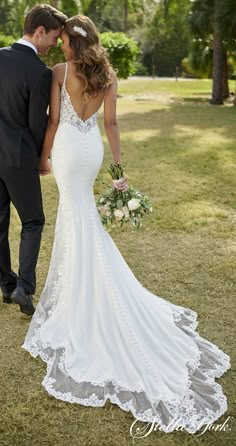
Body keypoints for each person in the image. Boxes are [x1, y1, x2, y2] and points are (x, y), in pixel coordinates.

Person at [22, 15, 231, 433]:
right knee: (82, 220)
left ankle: (81, 294)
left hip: (66, 151)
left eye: (63, 41)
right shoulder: (107, 75)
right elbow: (112, 124)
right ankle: (82, 284)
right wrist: (118, 170)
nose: (60, 47)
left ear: (71, 43)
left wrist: (44, 157)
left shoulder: (59, 72)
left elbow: (53, 121)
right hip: (91, 151)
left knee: (76, 217)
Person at [0, 4, 67, 315]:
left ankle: (6, 284)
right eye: (54, 37)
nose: (54, 43)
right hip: (19, 158)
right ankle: (24, 287)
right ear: (40, 32)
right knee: (33, 221)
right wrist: (44, 158)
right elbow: (38, 124)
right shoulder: (39, 72)